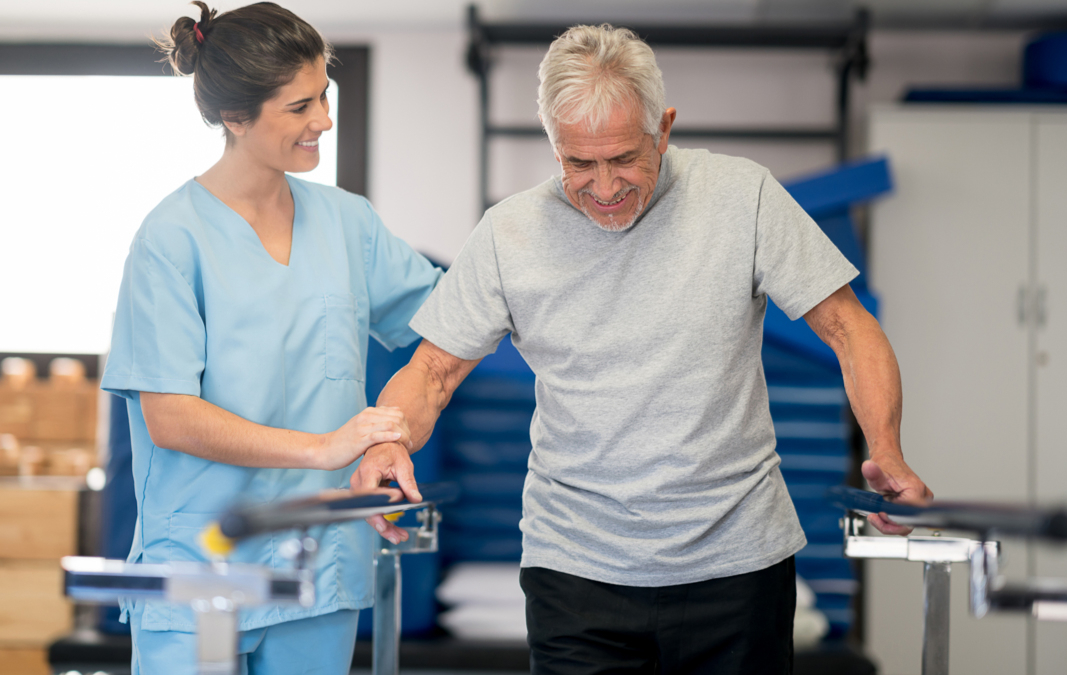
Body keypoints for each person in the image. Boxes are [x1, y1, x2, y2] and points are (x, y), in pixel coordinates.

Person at [353, 24, 931, 675]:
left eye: (624, 158)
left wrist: (885, 448)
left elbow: (848, 327)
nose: (604, 188)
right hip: (575, 571)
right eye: (578, 163)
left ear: (665, 127)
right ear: (553, 146)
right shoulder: (507, 234)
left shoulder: (743, 198)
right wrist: (387, 442)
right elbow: (431, 369)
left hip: (736, 565)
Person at [99, 3, 439, 673]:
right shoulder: (170, 239)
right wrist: (327, 448)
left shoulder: (348, 224)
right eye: (299, 106)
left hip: (319, 562)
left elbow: (448, 324)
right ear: (235, 117)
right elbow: (169, 416)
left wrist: (395, 433)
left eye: (326, 95)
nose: (324, 121)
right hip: (202, 566)